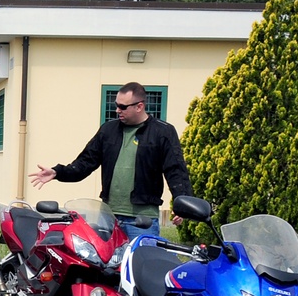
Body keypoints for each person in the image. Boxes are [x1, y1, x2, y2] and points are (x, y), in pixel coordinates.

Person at [29, 82, 193, 239]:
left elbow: (176, 170)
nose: (117, 110)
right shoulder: (108, 130)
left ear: (139, 106)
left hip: (143, 221)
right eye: (116, 105)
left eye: (122, 107)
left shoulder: (163, 132)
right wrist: (58, 172)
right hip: (108, 217)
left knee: (139, 267)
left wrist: (183, 203)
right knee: (105, 267)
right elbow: (85, 163)